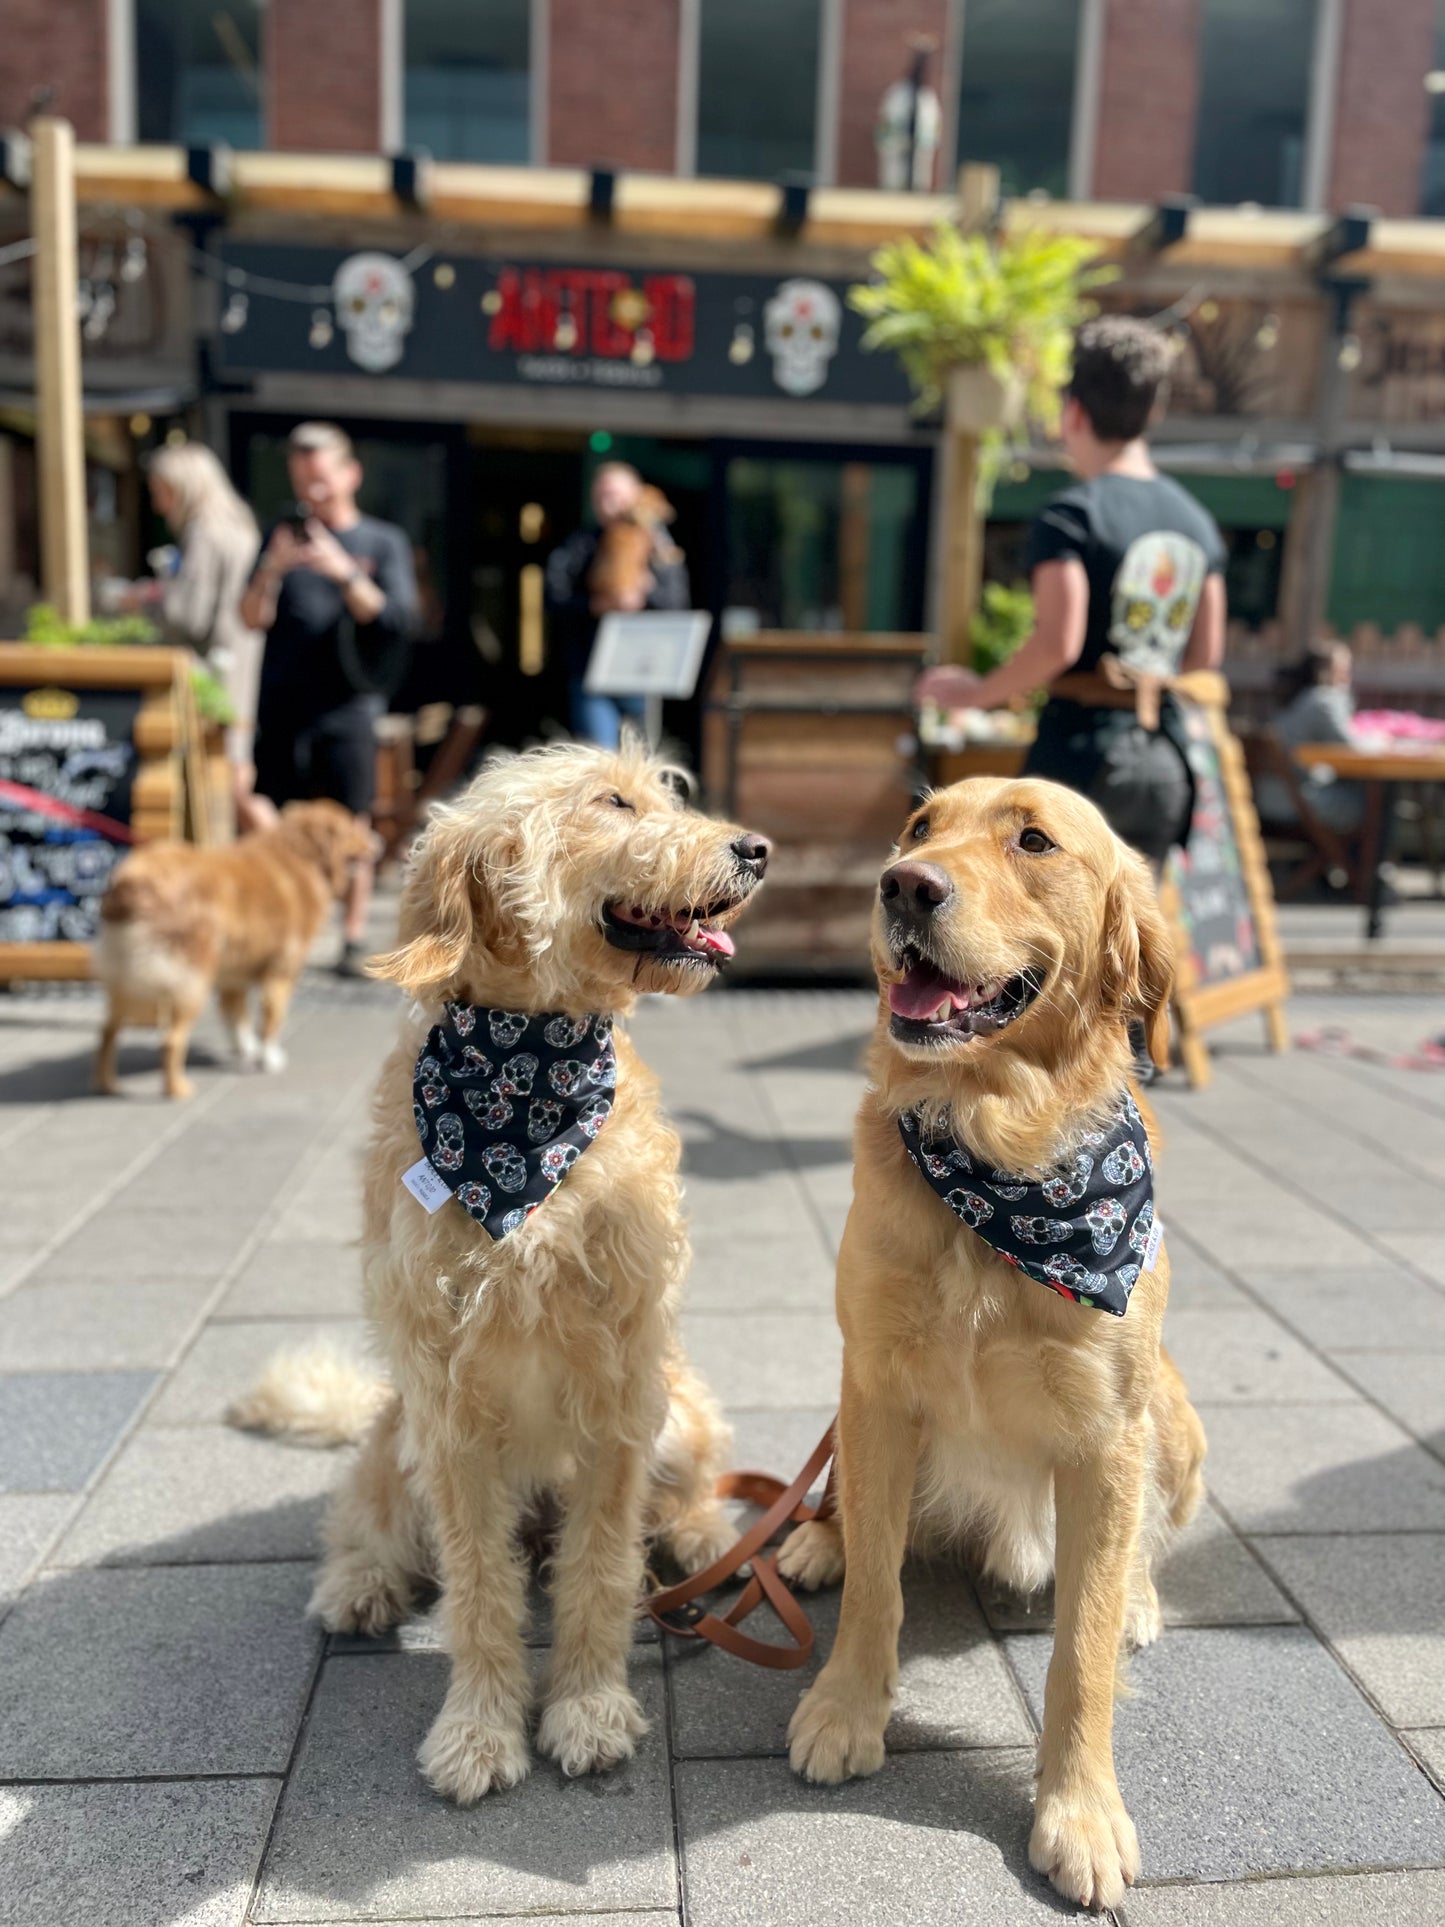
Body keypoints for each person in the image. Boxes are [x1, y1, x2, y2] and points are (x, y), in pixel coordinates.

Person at [918, 315, 1228, 874]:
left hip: (1083, 758)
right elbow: (1204, 656)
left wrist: (978, 693)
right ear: (1152, 413)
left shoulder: (1072, 516)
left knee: (1037, 920)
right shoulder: (1197, 523)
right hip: (1166, 760)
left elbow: (1057, 645)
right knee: (1130, 924)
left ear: (1074, 412)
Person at [240, 422, 418, 977]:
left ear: (350, 475)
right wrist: (272, 568)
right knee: (269, 807)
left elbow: (395, 618)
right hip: (283, 698)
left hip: (350, 702)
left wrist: (341, 571)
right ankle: (280, 925)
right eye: (302, 480)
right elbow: (250, 618)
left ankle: (352, 938)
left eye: (320, 478)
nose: (312, 490)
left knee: (353, 818)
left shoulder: (380, 542)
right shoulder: (279, 538)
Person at [138, 442, 265, 829]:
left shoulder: (204, 531)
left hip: (211, 673)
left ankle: (290, 854)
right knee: (235, 777)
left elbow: (188, 617)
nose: (158, 505)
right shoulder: (237, 524)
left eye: (161, 492)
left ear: (183, 487)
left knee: (228, 790)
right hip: (239, 665)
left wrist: (148, 599)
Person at [544, 462, 690, 747]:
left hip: (643, 670)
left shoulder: (656, 542)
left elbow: (677, 602)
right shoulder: (580, 545)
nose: (607, 504)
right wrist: (595, 605)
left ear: (636, 495)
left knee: (642, 758)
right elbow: (554, 597)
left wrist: (644, 595)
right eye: (600, 497)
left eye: (613, 495)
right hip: (592, 671)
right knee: (601, 756)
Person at [1254, 640, 1365, 834]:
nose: (1348, 678)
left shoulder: (1297, 698)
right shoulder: (1322, 700)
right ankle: (1368, 854)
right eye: (1343, 671)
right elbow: (1351, 748)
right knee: (1376, 794)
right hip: (1295, 801)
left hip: (1269, 797)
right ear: (1324, 671)